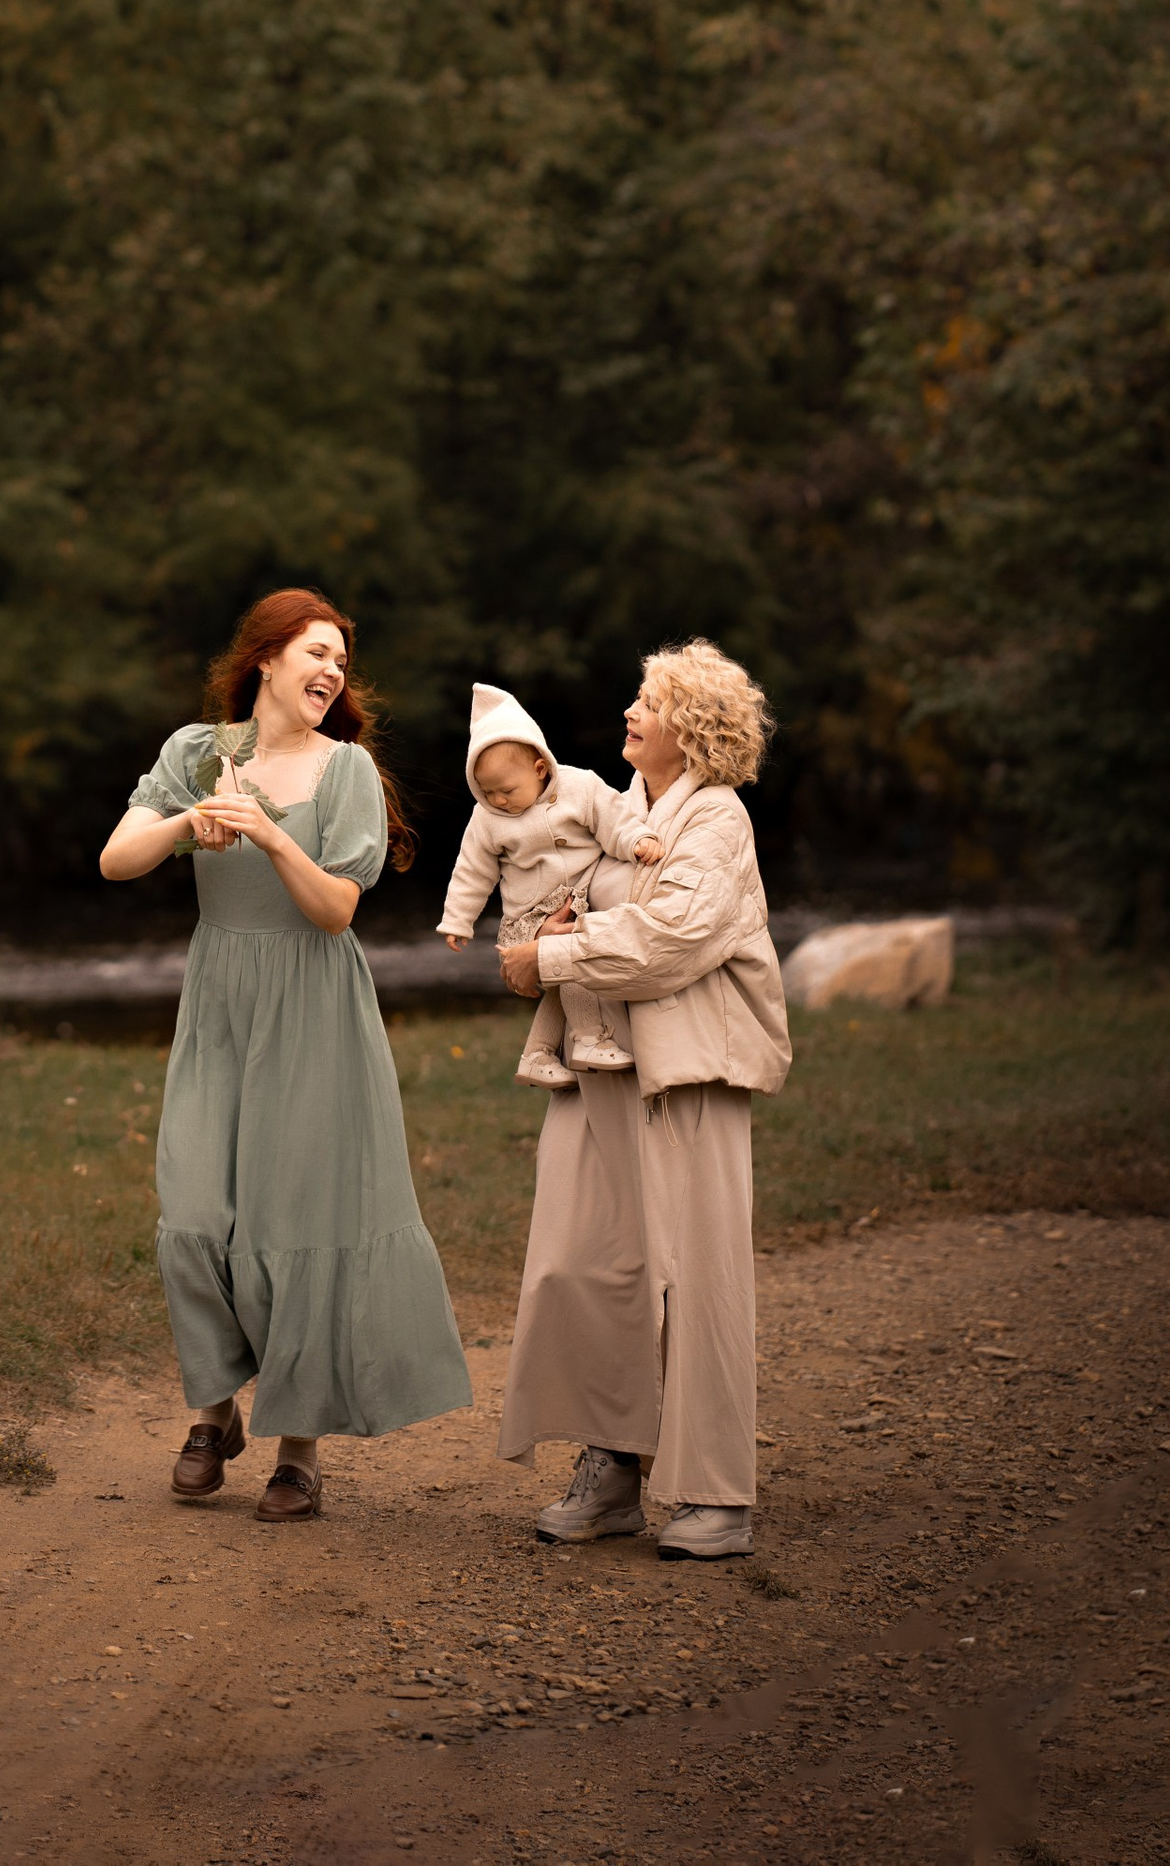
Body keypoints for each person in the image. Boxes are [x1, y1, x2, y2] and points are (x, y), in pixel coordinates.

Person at [100, 589, 473, 1521]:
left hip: (312, 1008)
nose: (331, 673)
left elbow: (337, 909)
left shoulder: (345, 770)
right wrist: (191, 822)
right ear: (266, 659)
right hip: (219, 1001)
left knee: (295, 1223)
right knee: (192, 1212)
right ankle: (213, 1411)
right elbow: (116, 859)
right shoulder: (198, 752)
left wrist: (268, 835)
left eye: (341, 662)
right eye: (317, 653)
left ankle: (299, 1449)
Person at [493, 639, 791, 1562]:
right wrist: (542, 934)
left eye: (647, 702)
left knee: (697, 1280)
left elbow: (672, 939)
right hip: (595, 1066)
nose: (629, 712)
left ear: (692, 731)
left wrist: (553, 953)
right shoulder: (613, 810)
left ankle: (715, 1494)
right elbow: (541, 898)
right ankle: (613, 1467)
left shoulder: (719, 824)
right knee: (581, 1266)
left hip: (686, 1076)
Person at [435, 680, 666, 1081]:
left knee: (563, 975)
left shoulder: (581, 787)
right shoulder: (487, 819)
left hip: (576, 901)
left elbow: (613, 819)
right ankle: (590, 1038)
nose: (498, 801)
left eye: (506, 791)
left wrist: (637, 840)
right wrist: (457, 919)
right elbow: (472, 871)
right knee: (572, 965)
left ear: (540, 768)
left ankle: (537, 1055)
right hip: (528, 916)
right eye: (486, 793)